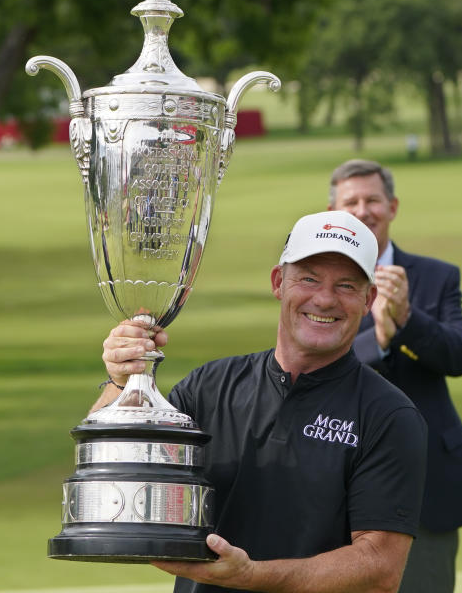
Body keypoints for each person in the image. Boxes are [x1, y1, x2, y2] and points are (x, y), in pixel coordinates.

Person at [97, 210, 428, 593]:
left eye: (347, 286)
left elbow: (380, 569)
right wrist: (121, 383)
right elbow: (117, 478)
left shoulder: (388, 415)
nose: (324, 299)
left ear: (368, 299)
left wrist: (252, 576)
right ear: (278, 282)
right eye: (308, 278)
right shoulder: (209, 387)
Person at [327, 159, 462, 593]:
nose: (363, 210)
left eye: (372, 200)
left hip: (429, 482)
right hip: (341, 472)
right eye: (351, 202)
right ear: (334, 213)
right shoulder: (318, 282)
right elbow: (313, 363)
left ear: (393, 206)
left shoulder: (437, 276)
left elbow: (460, 356)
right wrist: (378, 337)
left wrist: (408, 320)